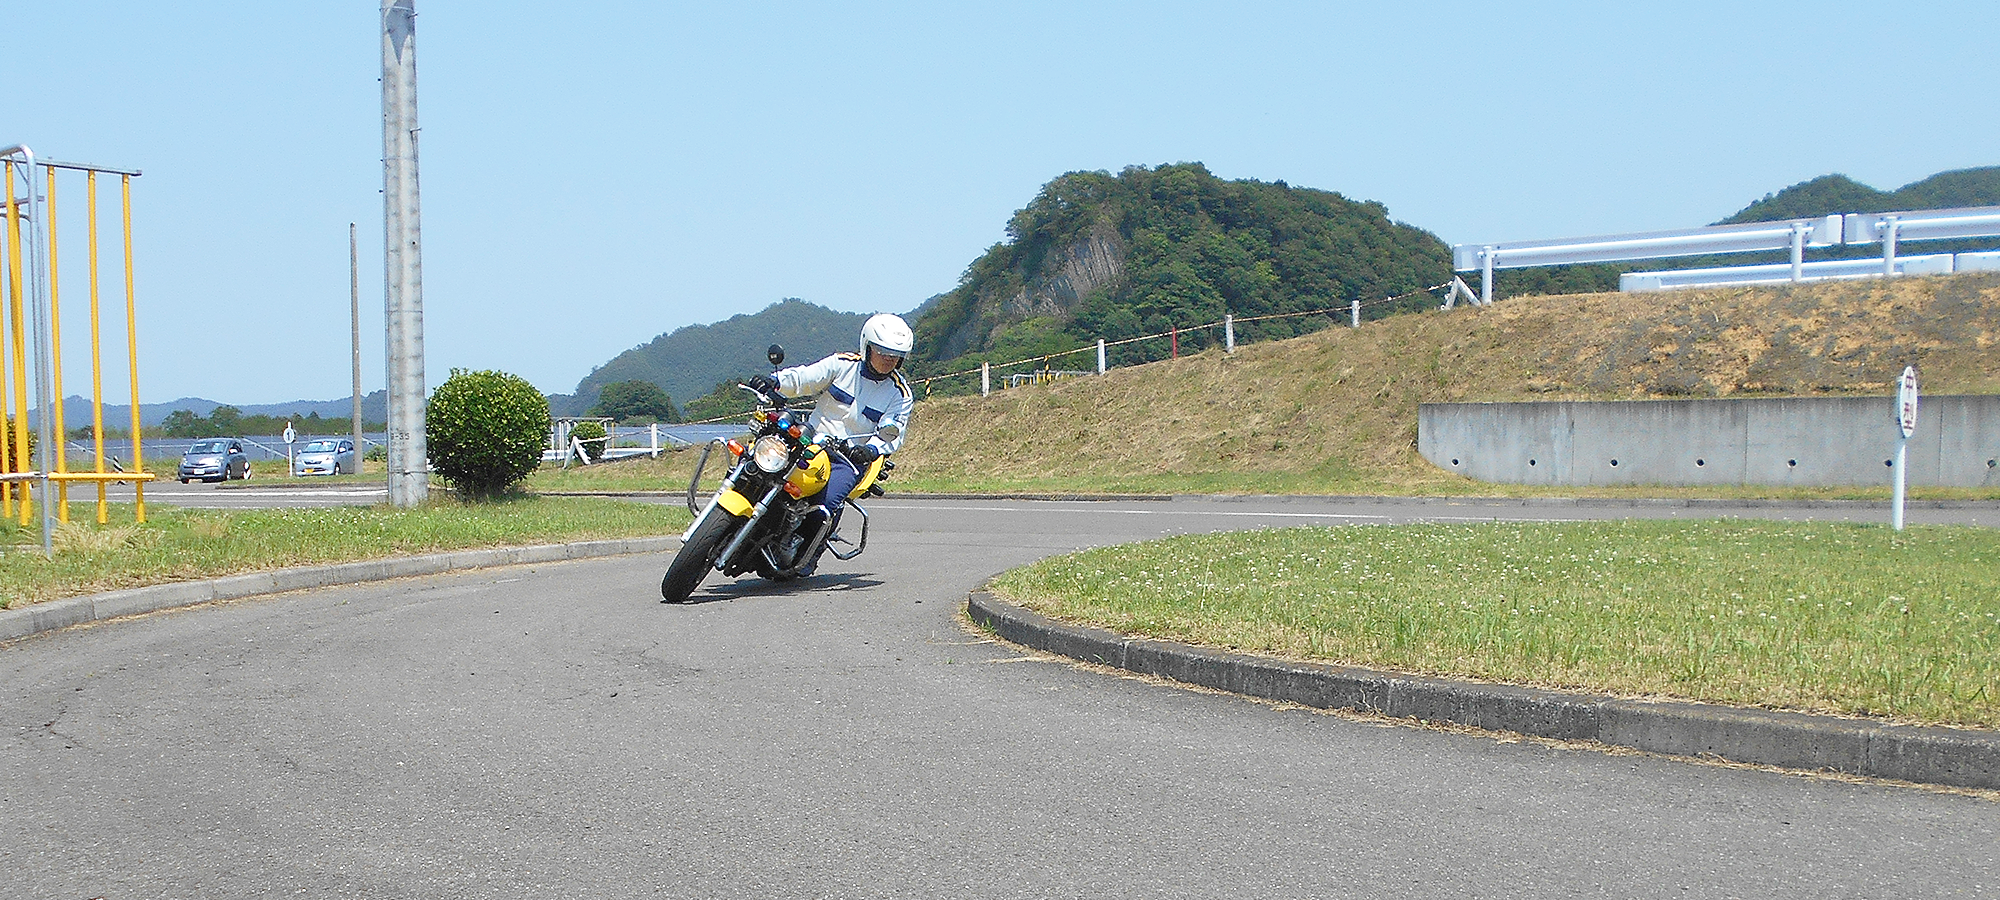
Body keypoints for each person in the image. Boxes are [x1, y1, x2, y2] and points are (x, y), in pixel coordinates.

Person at [746, 313, 914, 573]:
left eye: (894, 355)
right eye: (882, 351)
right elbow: (805, 378)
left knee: (826, 503)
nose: (888, 359)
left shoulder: (899, 395)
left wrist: (870, 449)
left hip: (847, 457)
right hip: (809, 438)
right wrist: (775, 382)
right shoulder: (841, 364)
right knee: (758, 460)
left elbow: (892, 431)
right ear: (867, 346)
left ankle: (807, 551)